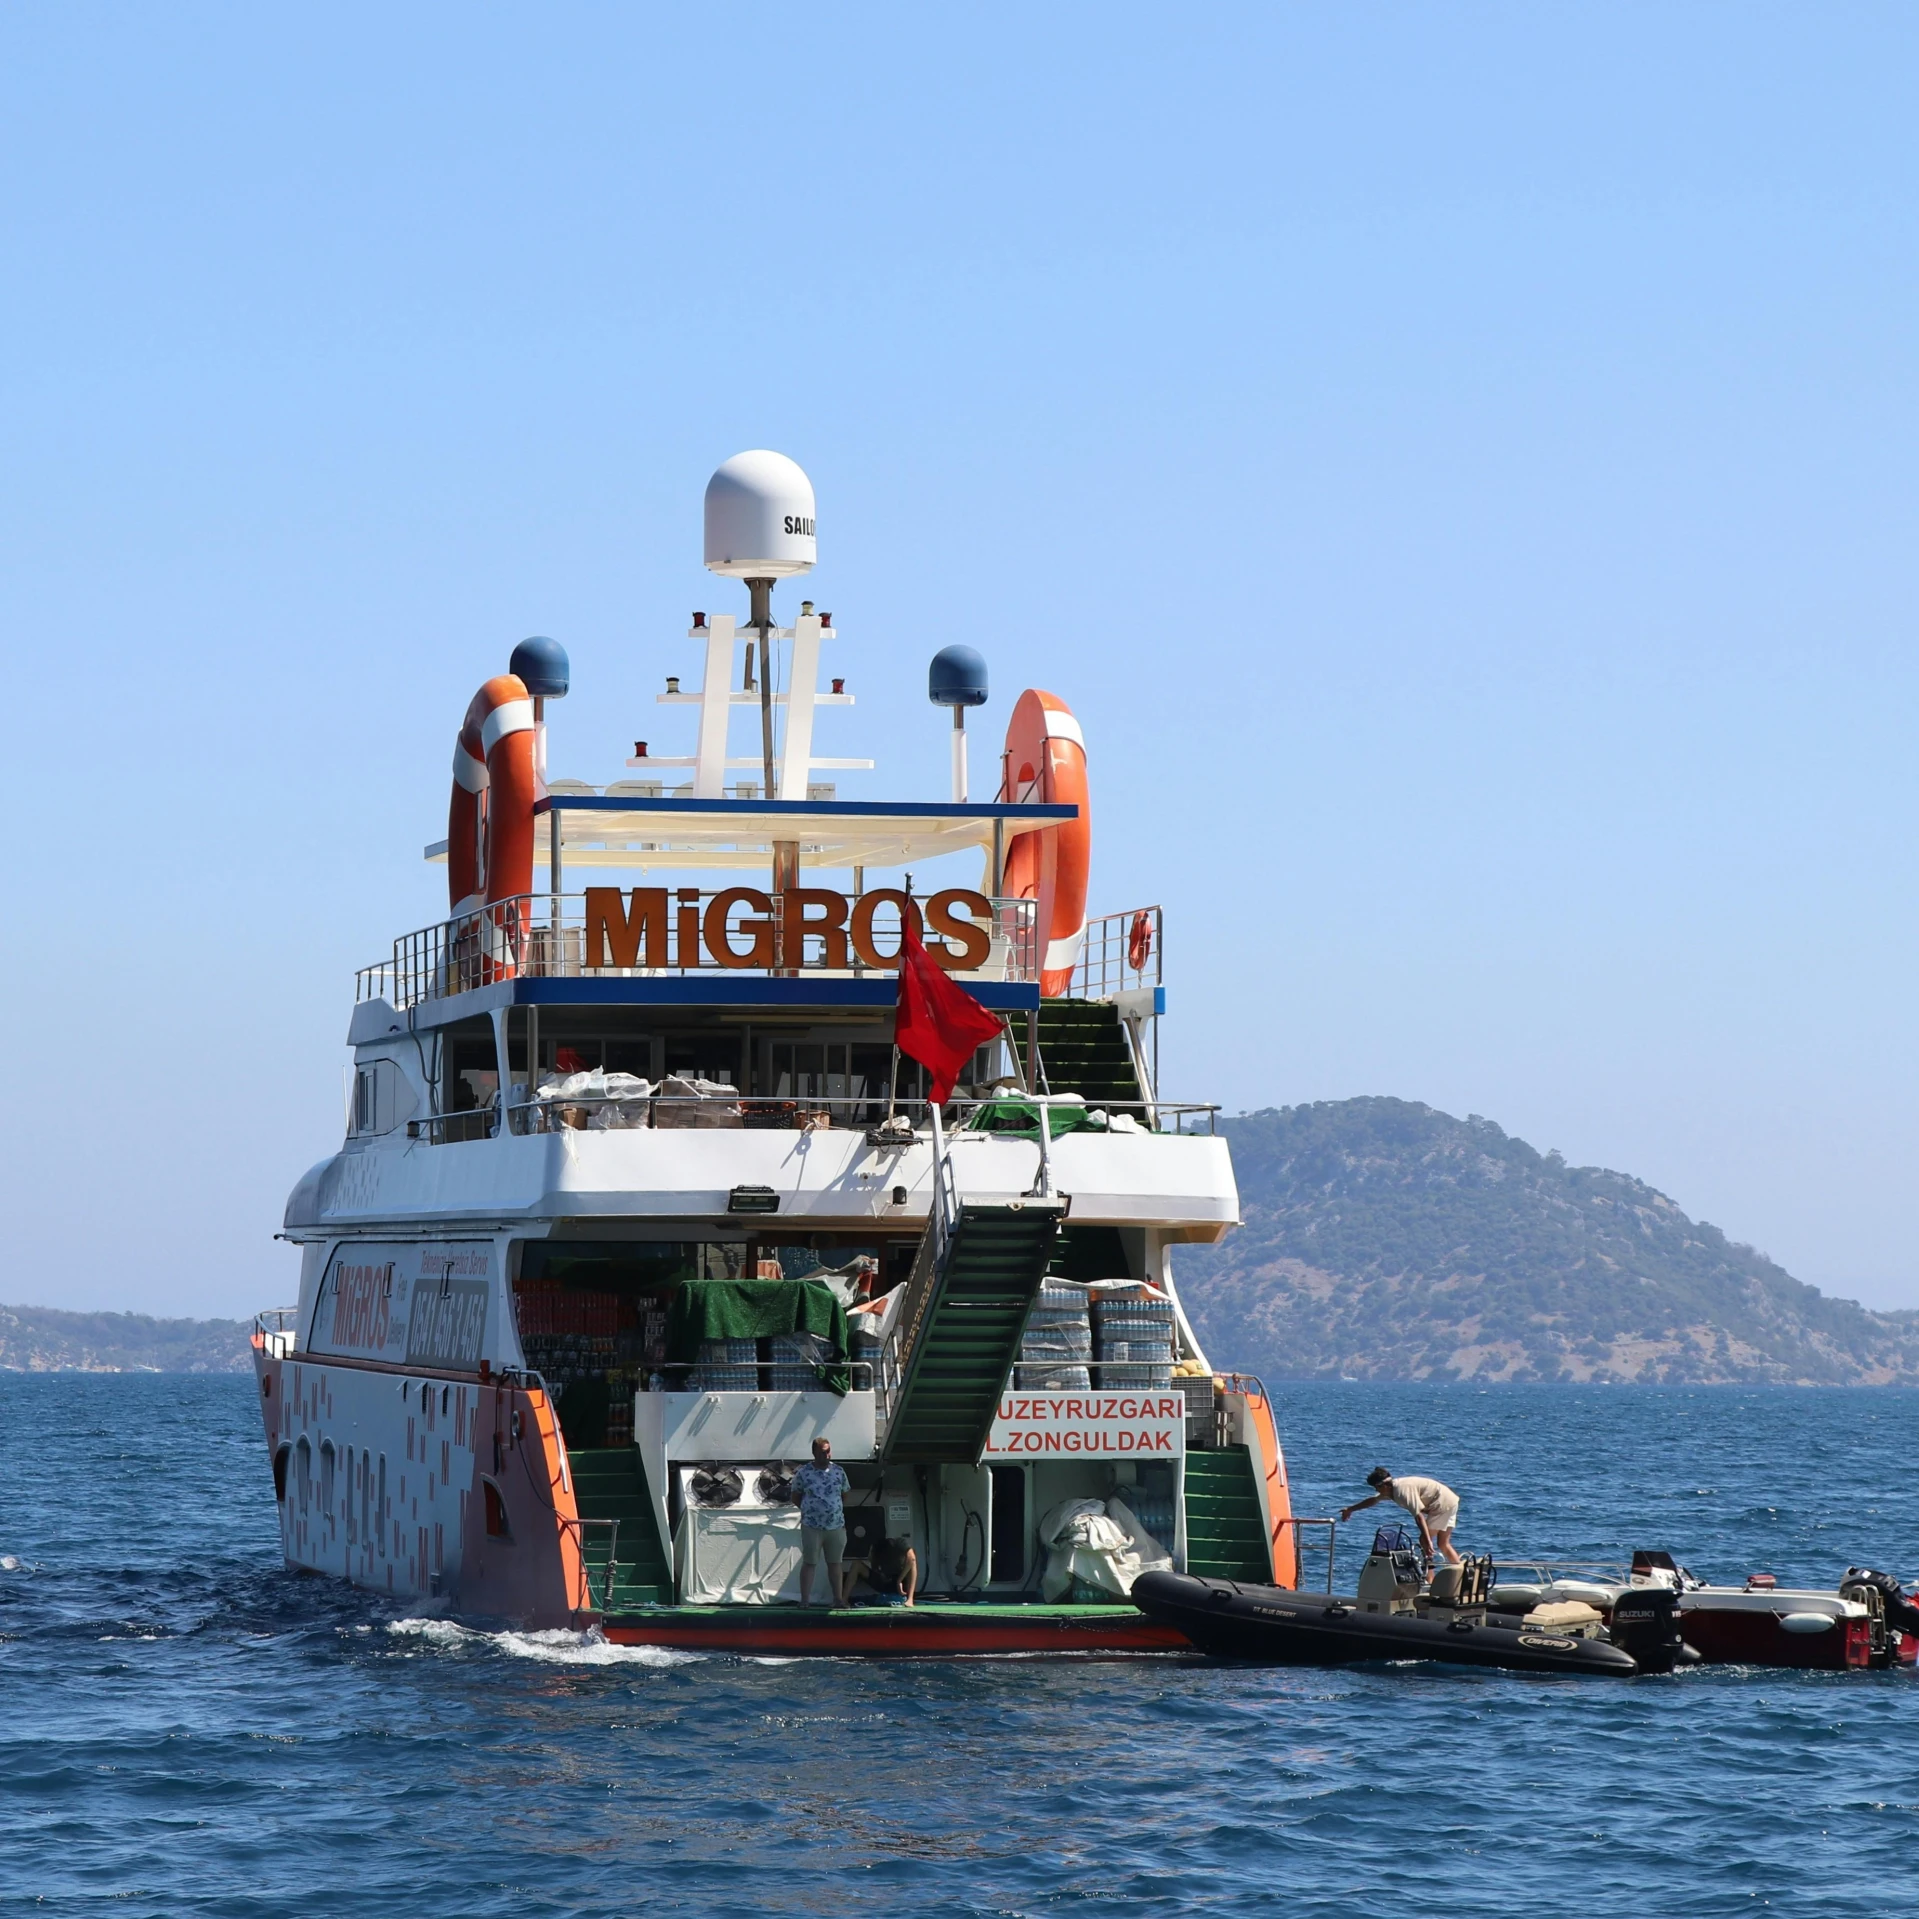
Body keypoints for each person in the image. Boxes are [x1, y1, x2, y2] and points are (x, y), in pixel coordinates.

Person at [1340, 1467, 1462, 1567]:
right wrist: (1350, 1509)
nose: (1376, 1490)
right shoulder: (1391, 1489)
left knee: (1425, 1541)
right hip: (1450, 1501)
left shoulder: (1402, 1492)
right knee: (1443, 1543)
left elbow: (1419, 1517)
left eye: (1376, 1487)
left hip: (1440, 1504)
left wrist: (1428, 1541)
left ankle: (1429, 1581)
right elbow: (1373, 1500)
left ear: (1384, 1485)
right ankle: (1460, 1573)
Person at [790, 1435, 851, 1607]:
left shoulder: (838, 1471)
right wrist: (811, 1510)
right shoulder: (804, 1473)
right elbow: (795, 1496)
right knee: (810, 1562)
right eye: (823, 1452)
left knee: (835, 1563)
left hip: (836, 1526)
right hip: (812, 1526)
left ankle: (838, 1600)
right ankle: (805, 1600)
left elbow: (845, 1493)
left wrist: (833, 1509)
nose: (828, 1455)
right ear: (815, 1453)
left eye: (829, 1451)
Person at [865, 1535, 918, 1607]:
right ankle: (844, 1600)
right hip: (885, 1583)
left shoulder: (899, 1543)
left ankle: (910, 1599)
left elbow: (912, 1559)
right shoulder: (877, 1554)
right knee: (857, 1565)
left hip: (901, 1582)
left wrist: (899, 1580)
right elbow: (875, 1569)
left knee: (912, 1564)